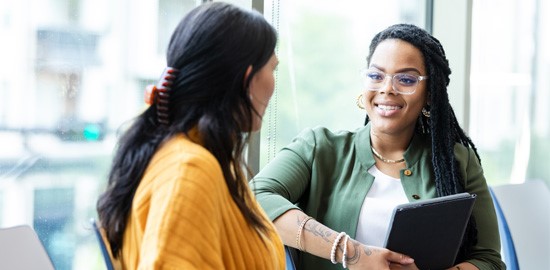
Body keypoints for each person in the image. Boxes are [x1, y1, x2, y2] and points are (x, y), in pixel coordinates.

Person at [251, 24, 505, 270]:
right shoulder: (319, 147)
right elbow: (254, 197)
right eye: (376, 75)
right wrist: (352, 253)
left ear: (430, 93)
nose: (387, 89)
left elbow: (489, 260)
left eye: (406, 79)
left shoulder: (458, 160)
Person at [96, 2, 284, 269]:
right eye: (272, 69)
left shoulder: (194, 157)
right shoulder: (190, 170)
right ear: (248, 79)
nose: (274, 84)